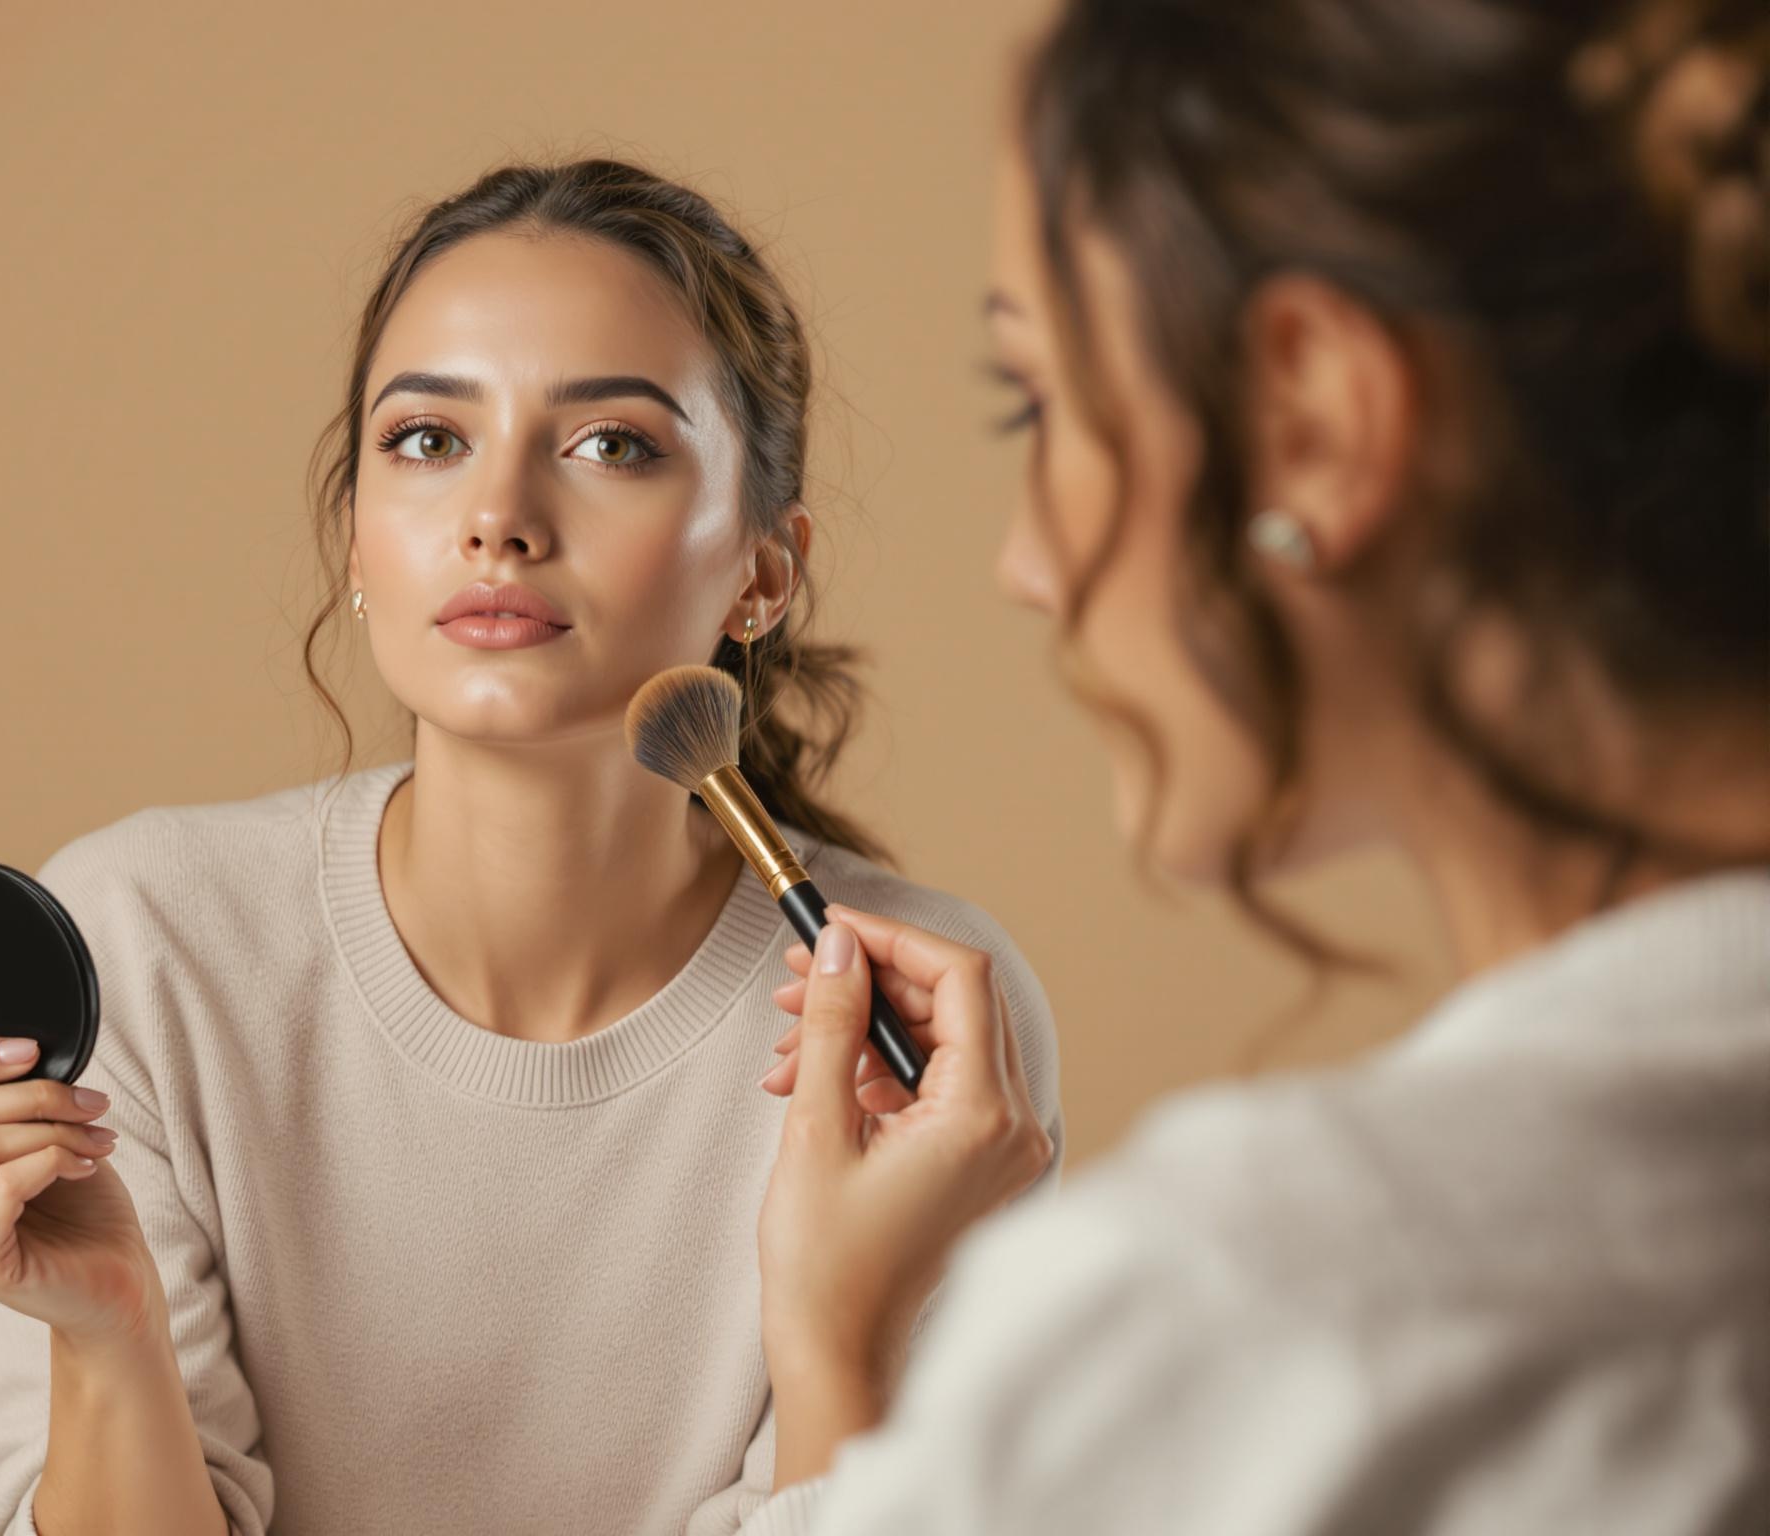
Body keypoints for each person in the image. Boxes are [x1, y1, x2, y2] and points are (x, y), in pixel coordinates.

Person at [0, 159, 1066, 1535]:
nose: (501, 518)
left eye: (612, 446)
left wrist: (850, 1333)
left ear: (762, 571)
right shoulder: (145, 945)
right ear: (356, 533)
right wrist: (106, 1324)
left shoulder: (927, 1039)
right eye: (426, 439)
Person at [751, 1, 1770, 1529]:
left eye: (1034, 400)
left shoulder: (1258, 1317)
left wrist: (836, 1341)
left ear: (1310, 418)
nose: (1027, 564)